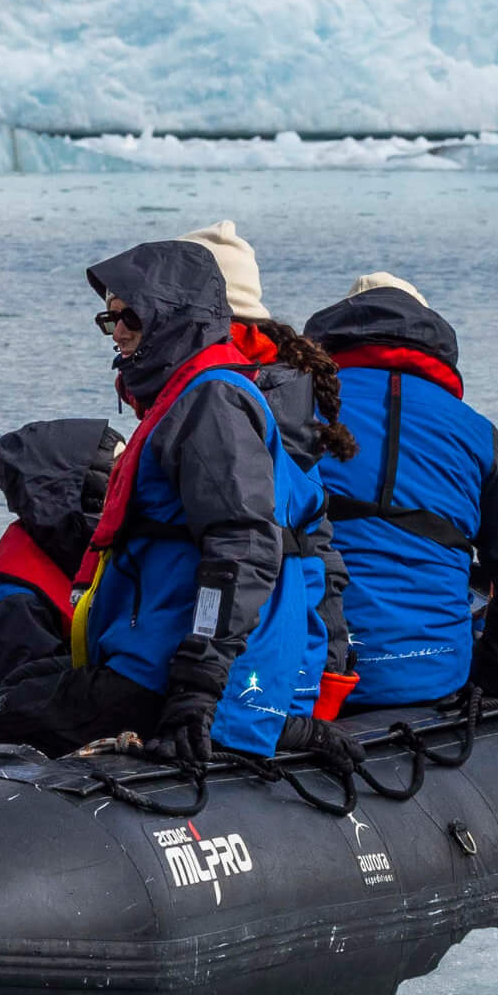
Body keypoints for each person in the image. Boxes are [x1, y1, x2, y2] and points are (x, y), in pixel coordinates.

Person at [0, 241, 320, 760]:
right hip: (146, 661)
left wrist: (199, 685)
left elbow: (242, 548)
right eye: (109, 318)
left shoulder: (210, 403)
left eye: (131, 316)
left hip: (157, 678)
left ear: (175, 316)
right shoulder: (203, 394)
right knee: (20, 683)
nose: (117, 332)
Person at [304, 272, 498, 704]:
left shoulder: (289, 411)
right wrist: (492, 680)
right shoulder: (474, 431)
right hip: (435, 679)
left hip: (307, 683)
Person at [180, 220, 357, 720]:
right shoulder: (284, 386)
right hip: (289, 652)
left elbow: (244, 547)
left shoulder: (218, 393)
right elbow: (315, 542)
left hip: (238, 672)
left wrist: (196, 686)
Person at [0, 417, 123, 685]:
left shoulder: (72, 560)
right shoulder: (13, 611)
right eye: (115, 482)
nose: (130, 495)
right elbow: (35, 706)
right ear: (72, 492)